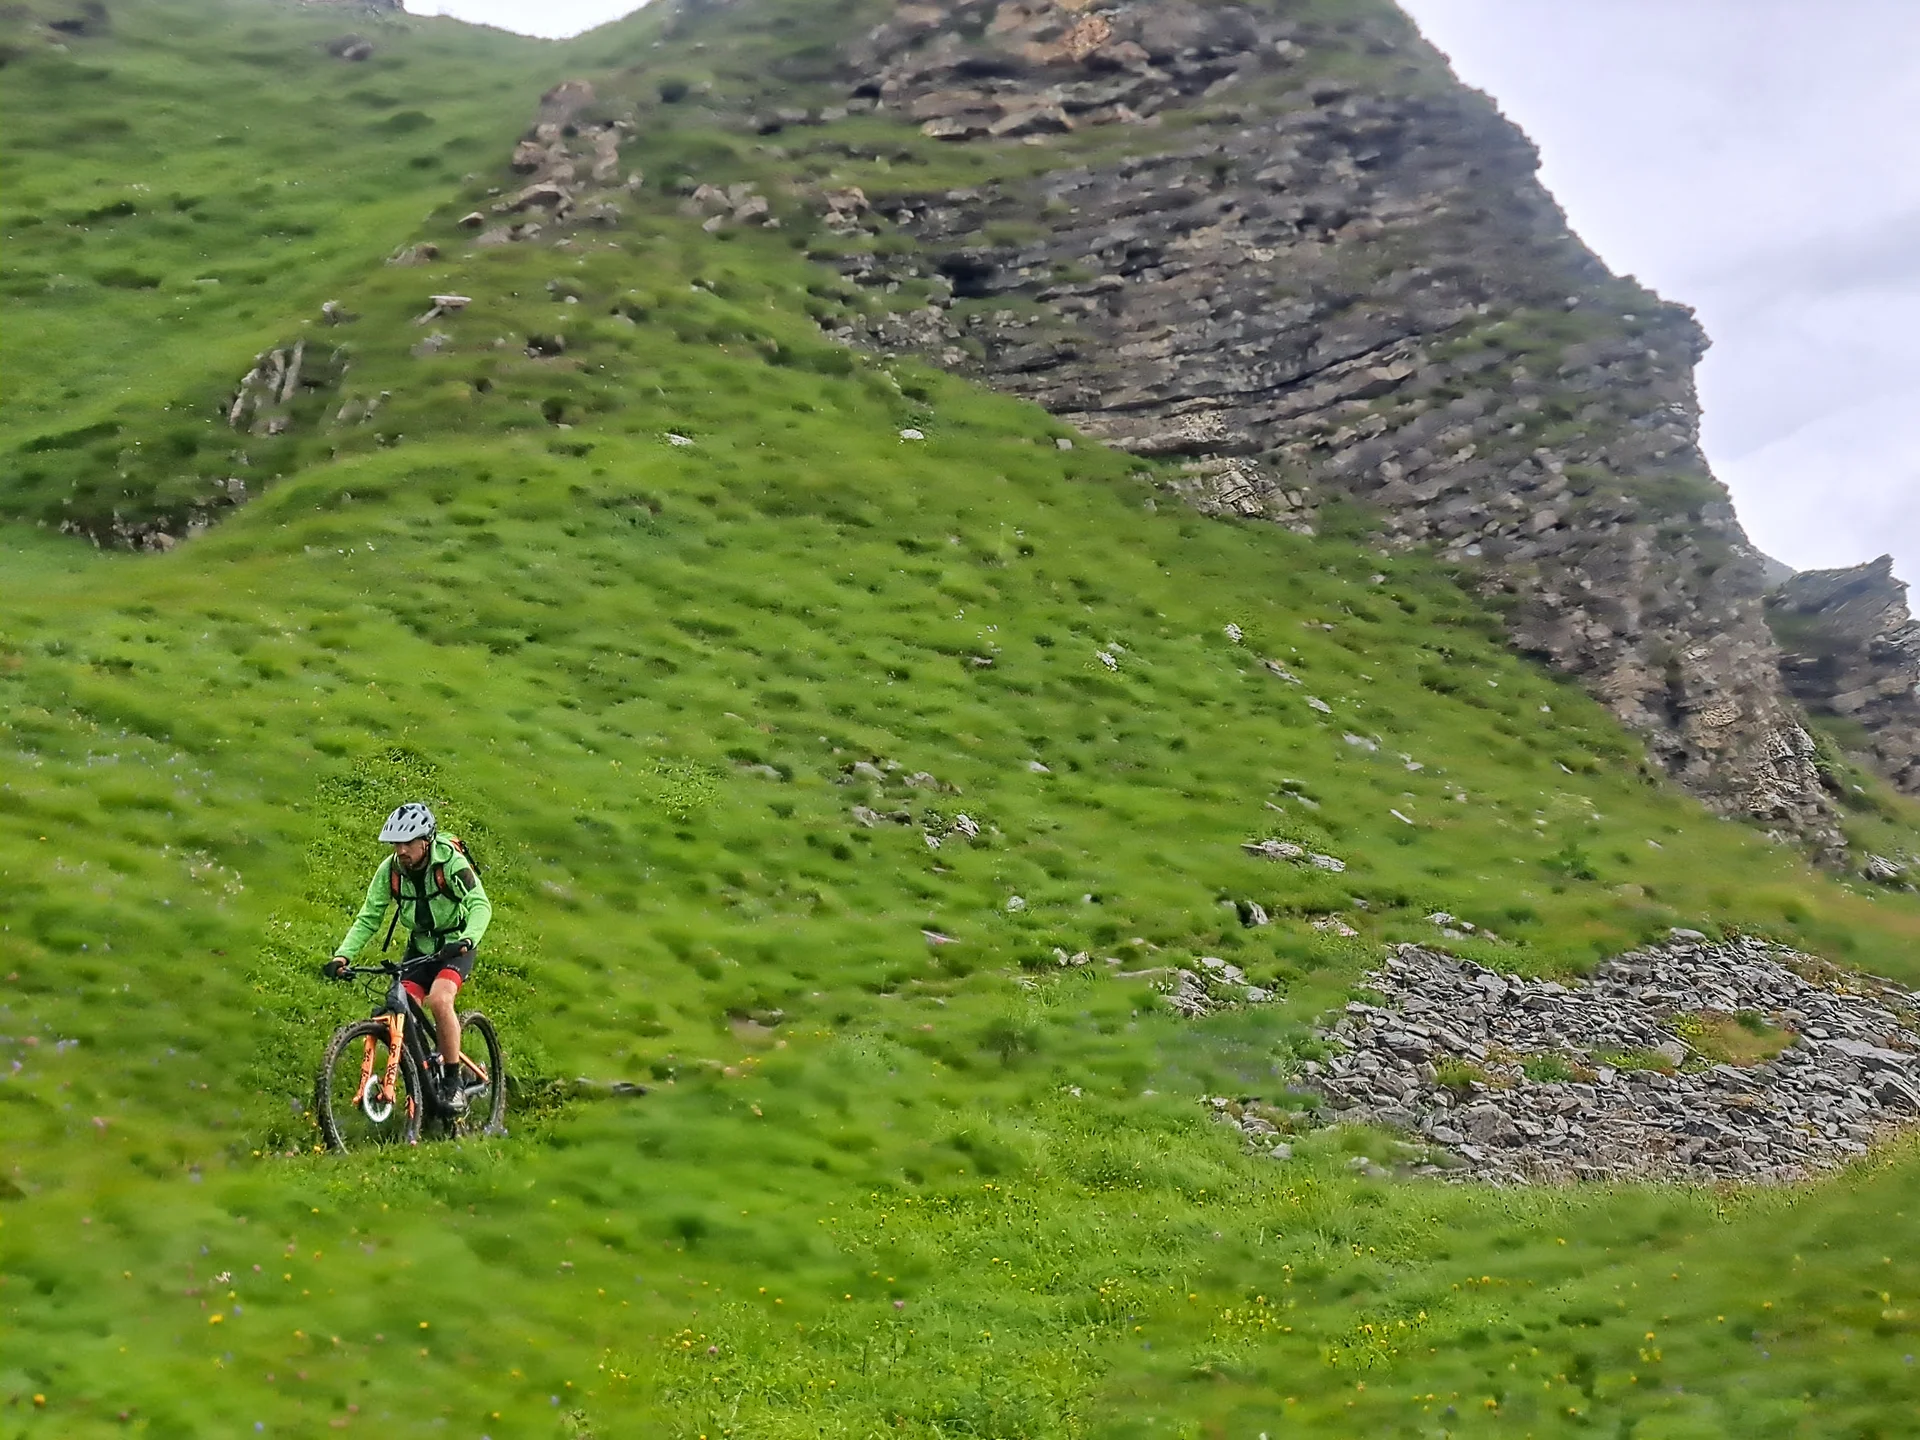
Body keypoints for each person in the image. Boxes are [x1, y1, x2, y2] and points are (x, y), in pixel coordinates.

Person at [324, 803, 492, 1115]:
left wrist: (468, 938)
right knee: (403, 1011)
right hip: (420, 950)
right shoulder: (391, 870)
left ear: (425, 841)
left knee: (440, 1001)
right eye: (396, 844)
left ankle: (453, 1083)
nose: (400, 851)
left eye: (407, 843)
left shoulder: (450, 863)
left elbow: (480, 904)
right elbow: (368, 917)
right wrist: (342, 955)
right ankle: (427, 1079)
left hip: (456, 946)